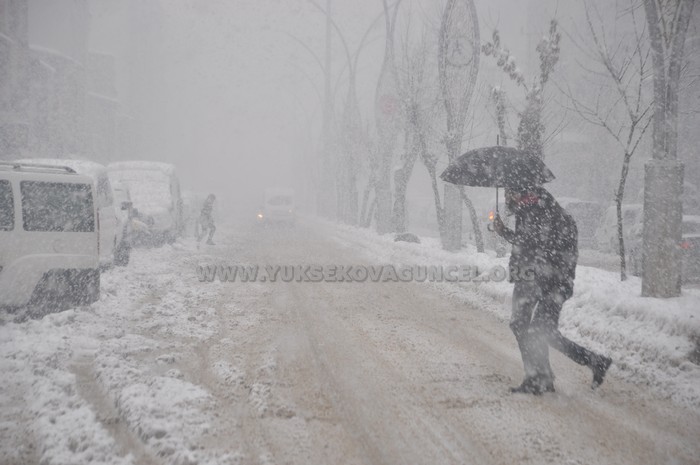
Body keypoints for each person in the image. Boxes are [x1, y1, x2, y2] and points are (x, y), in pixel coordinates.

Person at [493, 185, 612, 395]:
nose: (506, 198)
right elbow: (527, 244)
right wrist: (506, 234)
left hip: (552, 283)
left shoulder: (545, 212)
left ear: (521, 192)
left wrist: (507, 235)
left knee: (540, 331)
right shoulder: (527, 210)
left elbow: (535, 245)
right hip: (529, 279)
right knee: (521, 325)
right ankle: (539, 377)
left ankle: (581, 365)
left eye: (509, 193)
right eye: (505, 193)